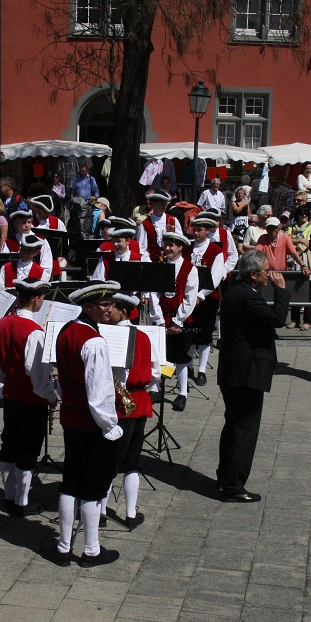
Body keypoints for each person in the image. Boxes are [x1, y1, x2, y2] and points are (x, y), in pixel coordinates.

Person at [46, 280, 124, 567]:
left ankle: (63, 546)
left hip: (71, 418)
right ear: (88, 307)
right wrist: (110, 426)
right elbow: (99, 393)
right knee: (92, 487)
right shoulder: (93, 341)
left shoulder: (66, 330)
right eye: (105, 305)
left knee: (71, 482)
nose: (111, 309)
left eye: (111, 304)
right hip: (92, 424)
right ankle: (91, 550)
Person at [217, 250, 289, 502]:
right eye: (266, 272)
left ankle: (225, 477)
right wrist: (282, 291)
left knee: (234, 425)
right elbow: (277, 319)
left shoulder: (238, 291)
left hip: (234, 371)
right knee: (243, 430)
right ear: (253, 274)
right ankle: (233, 486)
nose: (269, 276)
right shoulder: (247, 297)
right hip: (245, 374)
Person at [0, 278, 57, 517]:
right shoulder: (35, 332)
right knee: (29, 451)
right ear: (38, 299)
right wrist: (51, 396)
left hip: (10, 393)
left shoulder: (2, 323)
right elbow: (37, 374)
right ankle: (22, 502)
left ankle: (9, 497)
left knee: (9, 445)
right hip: (31, 399)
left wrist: (5, 381)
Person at [104, 291, 157, 529]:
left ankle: (101, 511)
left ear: (123, 311)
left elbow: (117, 375)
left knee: (110, 461)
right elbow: (156, 371)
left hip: (120, 403)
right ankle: (130, 513)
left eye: (111, 308)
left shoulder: (110, 336)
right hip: (140, 401)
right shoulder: (144, 336)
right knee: (133, 461)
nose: (107, 311)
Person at [149, 232, 199, 411]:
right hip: (162, 318)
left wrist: (178, 321)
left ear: (180, 248)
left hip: (180, 319)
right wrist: (159, 320)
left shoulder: (189, 269)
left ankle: (182, 393)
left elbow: (190, 297)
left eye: (172, 245)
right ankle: (155, 388)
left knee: (181, 356)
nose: (168, 248)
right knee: (157, 355)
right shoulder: (159, 267)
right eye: (167, 244)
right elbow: (153, 295)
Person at [188, 216, 227, 387]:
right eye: (194, 229)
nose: (196, 232)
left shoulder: (215, 251)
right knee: (188, 333)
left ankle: (201, 370)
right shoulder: (187, 248)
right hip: (188, 297)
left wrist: (200, 295)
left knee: (204, 336)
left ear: (208, 230)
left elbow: (215, 277)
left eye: (200, 229)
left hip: (206, 299)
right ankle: (188, 365)